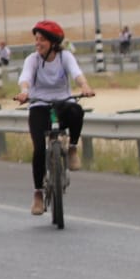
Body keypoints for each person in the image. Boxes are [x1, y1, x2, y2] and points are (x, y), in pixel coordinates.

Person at [19, 20, 96, 215]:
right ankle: (38, 193)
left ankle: (72, 148)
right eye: (36, 39)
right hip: (39, 105)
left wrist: (84, 86)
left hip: (63, 103)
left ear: (53, 42)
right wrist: (24, 92)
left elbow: (77, 73)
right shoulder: (33, 60)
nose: (38, 43)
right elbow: (25, 78)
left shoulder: (65, 57)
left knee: (77, 111)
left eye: (42, 40)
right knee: (39, 150)